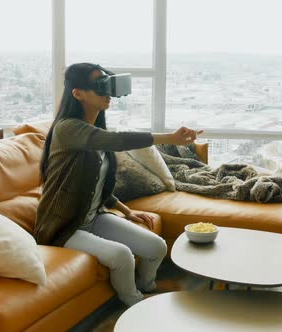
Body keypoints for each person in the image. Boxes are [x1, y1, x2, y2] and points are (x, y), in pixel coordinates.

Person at [34, 63, 203, 306]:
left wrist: (127, 211)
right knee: (122, 255)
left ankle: (147, 287)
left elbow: (96, 185)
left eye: (107, 85)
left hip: (94, 218)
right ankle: (135, 304)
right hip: (63, 226)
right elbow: (117, 140)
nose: (106, 93)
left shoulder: (95, 130)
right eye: (98, 87)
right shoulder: (67, 129)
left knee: (156, 246)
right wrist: (170, 137)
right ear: (77, 93)